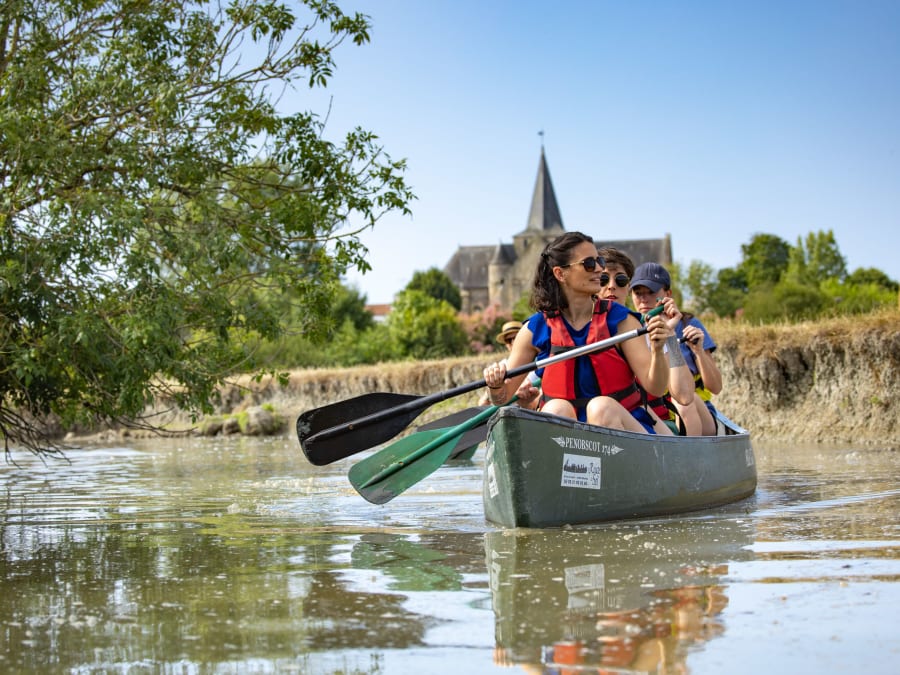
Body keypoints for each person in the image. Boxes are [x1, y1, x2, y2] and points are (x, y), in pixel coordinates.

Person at [482, 231, 674, 434]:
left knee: (601, 408)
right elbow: (502, 398)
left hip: (624, 429)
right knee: (556, 409)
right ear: (560, 274)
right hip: (568, 441)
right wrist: (495, 386)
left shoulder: (622, 321)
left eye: (598, 261)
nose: (599, 269)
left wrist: (657, 350)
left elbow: (656, 388)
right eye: (589, 264)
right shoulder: (534, 329)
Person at [596, 248, 697, 435]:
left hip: (649, 423)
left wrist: (670, 335)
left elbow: (684, 396)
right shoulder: (578, 329)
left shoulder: (649, 330)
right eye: (603, 280)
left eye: (620, 280)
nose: (611, 286)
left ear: (627, 287)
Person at [629, 262, 723, 435]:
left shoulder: (689, 325)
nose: (644, 299)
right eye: (638, 293)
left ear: (667, 294)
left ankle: (689, 458)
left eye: (651, 292)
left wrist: (698, 351)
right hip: (658, 412)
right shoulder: (629, 327)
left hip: (694, 410)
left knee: (683, 403)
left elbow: (715, 387)